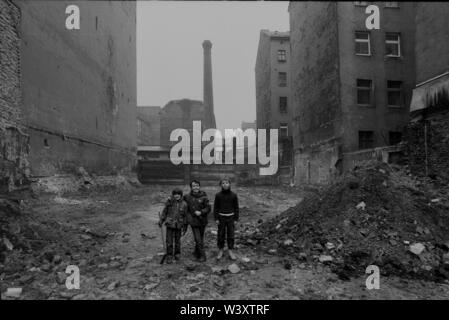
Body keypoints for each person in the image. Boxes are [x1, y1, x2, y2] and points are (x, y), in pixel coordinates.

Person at [183, 180, 211, 262]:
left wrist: (201, 212)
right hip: (193, 221)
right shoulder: (187, 197)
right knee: (198, 239)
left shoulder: (204, 196)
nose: (195, 187)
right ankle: (203, 256)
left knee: (200, 239)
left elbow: (208, 208)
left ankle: (196, 253)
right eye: (193, 186)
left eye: (197, 185)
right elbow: (183, 205)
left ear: (199, 186)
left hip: (202, 221)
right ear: (191, 187)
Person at [158, 188, 188, 264]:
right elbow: (165, 212)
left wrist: (185, 226)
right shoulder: (169, 202)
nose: (177, 196)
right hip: (170, 224)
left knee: (177, 241)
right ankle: (169, 255)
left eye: (178, 194)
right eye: (175, 194)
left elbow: (185, 216)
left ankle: (177, 254)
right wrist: (161, 220)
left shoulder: (184, 204)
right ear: (173, 195)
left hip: (179, 225)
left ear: (181, 195)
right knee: (169, 241)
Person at [214, 177, 239, 260]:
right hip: (221, 218)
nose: (225, 184)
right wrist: (216, 218)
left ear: (230, 184)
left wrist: (236, 219)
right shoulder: (218, 195)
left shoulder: (233, 195)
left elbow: (236, 207)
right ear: (221, 185)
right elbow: (216, 207)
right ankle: (220, 250)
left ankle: (230, 250)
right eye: (223, 183)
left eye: (227, 183)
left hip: (231, 218)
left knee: (231, 235)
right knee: (221, 234)